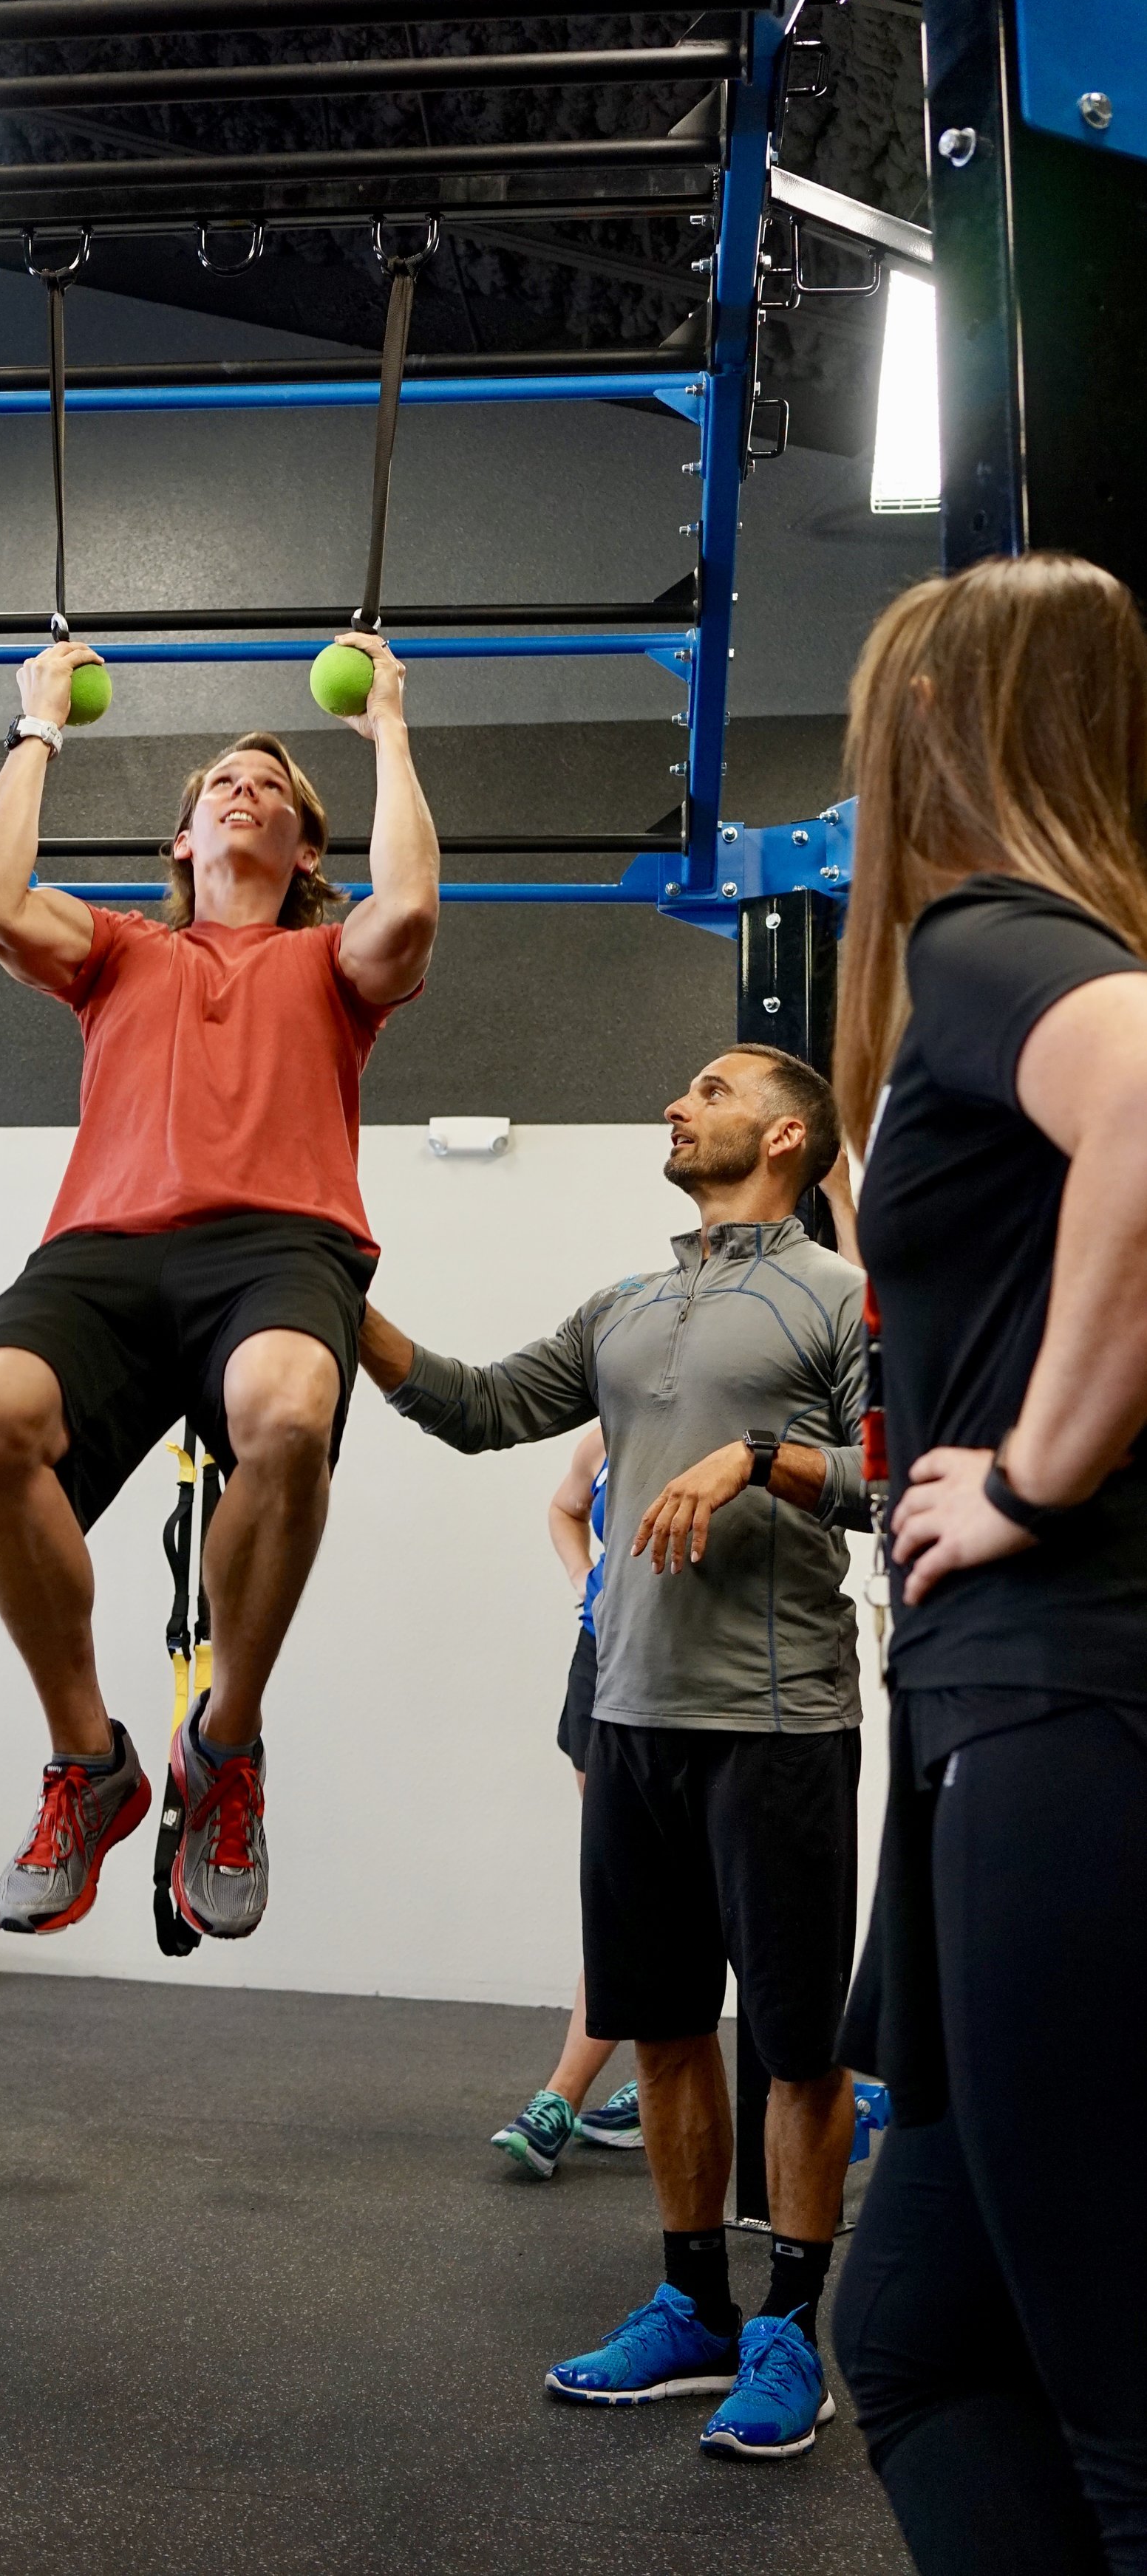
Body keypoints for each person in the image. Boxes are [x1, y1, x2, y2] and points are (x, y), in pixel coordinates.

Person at [359, 1046, 870, 2460]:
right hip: (632, 1715)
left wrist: (761, 1459)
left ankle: (790, 2333)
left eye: (706, 1090)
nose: (673, 1104)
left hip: (779, 1722)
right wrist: (332, 1295)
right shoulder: (628, 1306)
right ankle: (693, 2302)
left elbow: (896, 1472)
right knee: (659, 2024)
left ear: (784, 1134)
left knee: (794, 2043)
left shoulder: (835, 1296)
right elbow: (476, 1406)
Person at [826, 553, 1147, 2575]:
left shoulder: (983, 937)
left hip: (1060, 1697)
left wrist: (1035, 1464)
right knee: (921, 2328)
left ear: (936, 723)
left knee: (1123, 2415)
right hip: (997, 1714)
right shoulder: (1025, 952)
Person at [0, 632, 438, 1941]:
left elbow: (415, 914)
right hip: (104, 1248)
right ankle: (89, 1761)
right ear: (178, 842)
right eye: (225, 780)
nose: (249, 788)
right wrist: (37, 721)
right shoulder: (117, 952)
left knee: (287, 1411)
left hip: (279, 1244)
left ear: (308, 853)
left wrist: (386, 727)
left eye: (276, 788)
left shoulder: (331, 969)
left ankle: (224, 1747)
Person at [491, 1419, 644, 2177]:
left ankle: (562, 2095)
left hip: (682, 1665)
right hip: (601, 1658)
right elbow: (563, 1508)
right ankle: (657, 2076)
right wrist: (586, 1577)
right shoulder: (603, 1434)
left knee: (646, 1888)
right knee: (626, 1879)